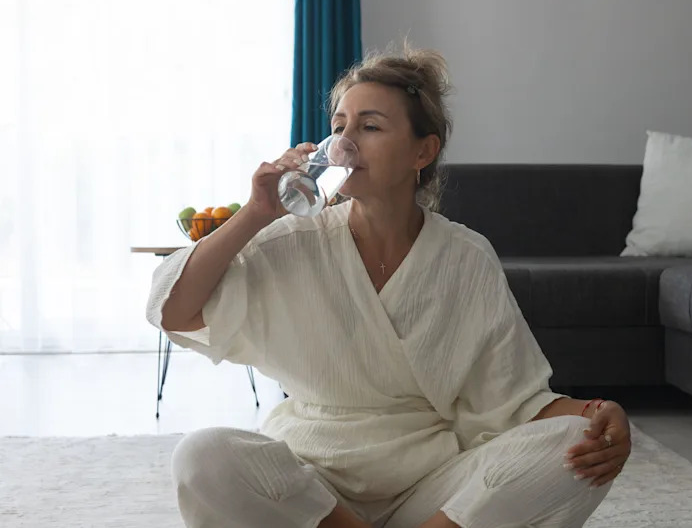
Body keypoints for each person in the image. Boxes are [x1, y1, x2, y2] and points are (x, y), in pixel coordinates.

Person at [146, 45, 632, 528]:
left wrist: (602, 411)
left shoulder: (465, 256)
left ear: (423, 151)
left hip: (432, 486)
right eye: (339, 127)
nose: (345, 142)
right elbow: (175, 313)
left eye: (370, 126)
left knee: (574, 443)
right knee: (203, 456)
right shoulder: (289, 239)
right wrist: (254, 214)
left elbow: (517, 400)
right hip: (313, 489)